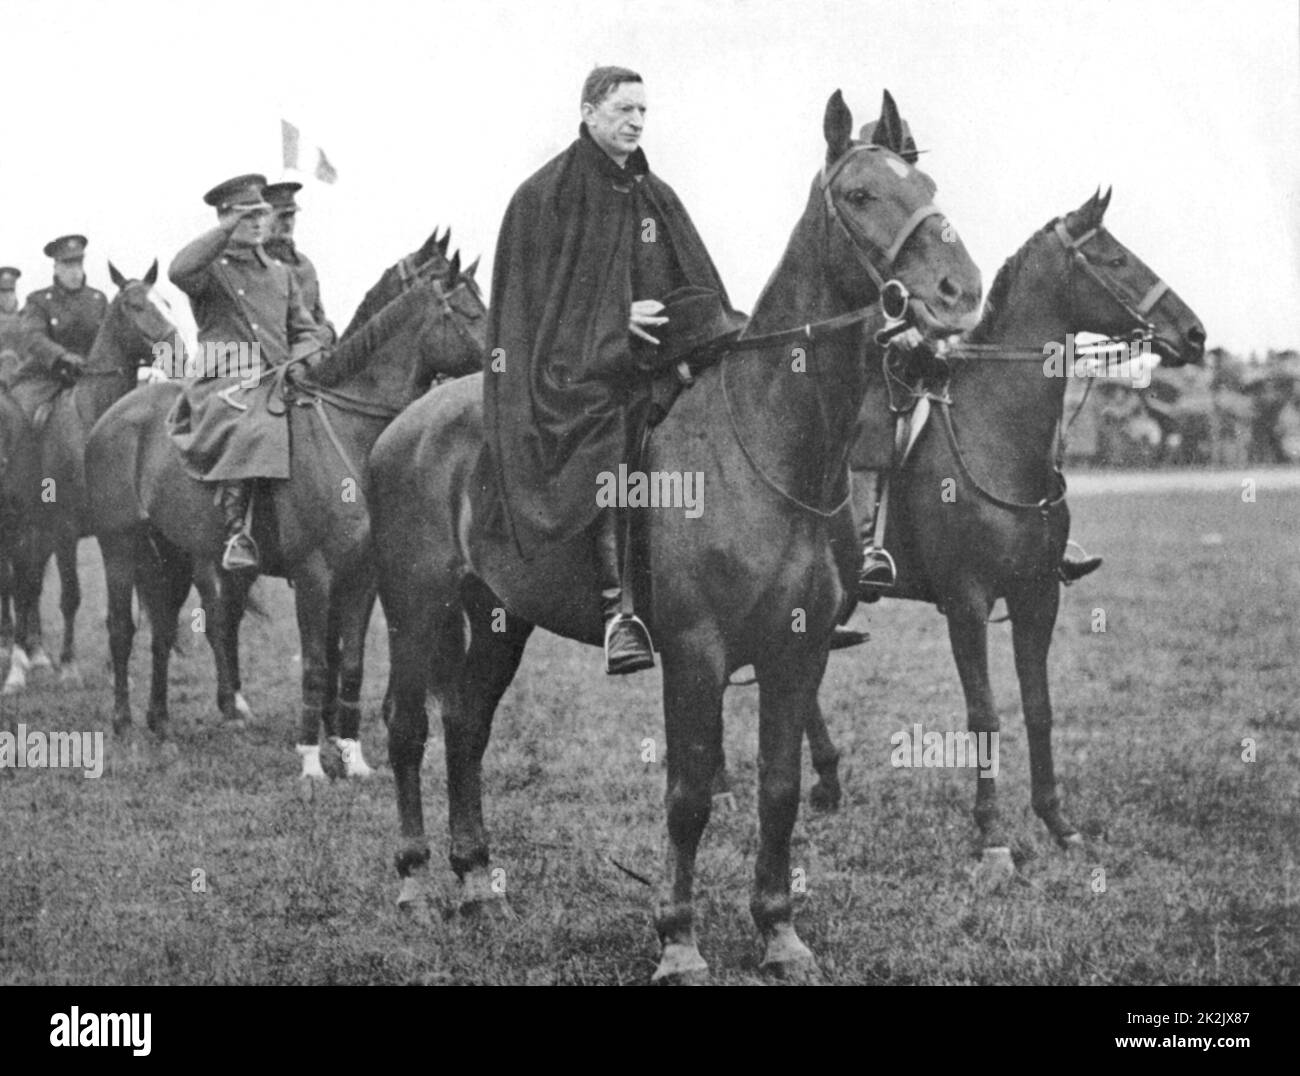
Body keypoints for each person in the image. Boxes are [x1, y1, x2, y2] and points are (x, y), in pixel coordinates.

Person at [483, 65, 745, 674]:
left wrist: (707, 333)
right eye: (624, 109)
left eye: (643, 112)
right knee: (614, 441)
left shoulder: (656, 194)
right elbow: (532, 309)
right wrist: (614, 322)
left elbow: (697, 283)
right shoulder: (544, 197)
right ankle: (619, 612)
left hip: (660, 366)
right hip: (573, 376)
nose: (635, 122)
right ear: (589, 111)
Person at [166, 173, 325, 572]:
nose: (259, 222)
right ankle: (237, 530)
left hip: (279, 374)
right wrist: (223, 230)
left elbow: (305, 330)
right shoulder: (208, 271)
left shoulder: (281, 273)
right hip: (225, 376)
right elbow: (177, 270)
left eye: (262, 214)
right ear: (225, 220)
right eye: (247, 216)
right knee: (253, 424)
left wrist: (301, 357)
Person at [14, 236, 107, 408]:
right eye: (68, 265)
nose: (75, 272)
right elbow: (33, 337)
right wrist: (62, 356)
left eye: (78, 265)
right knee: (21, 414)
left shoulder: (98, 300)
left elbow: (109, 339)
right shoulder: (38, 301)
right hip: (46, 379)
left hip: (89, 378)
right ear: (56, 268)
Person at [263, 181, 336, 344]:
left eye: (292, 216)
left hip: (311, 354)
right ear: (263, 218)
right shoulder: (255, 265)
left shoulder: (304, 265)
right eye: (281, 216)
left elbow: (319, 317)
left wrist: (328, 331)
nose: (288, 223)